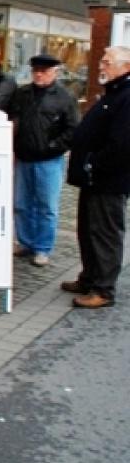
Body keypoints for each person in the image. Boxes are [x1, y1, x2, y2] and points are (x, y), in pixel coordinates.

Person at [62, 46, 130, 308]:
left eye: (107, 61)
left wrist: (93, 163)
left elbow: (122, 144)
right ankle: (89, 277)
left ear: (125, 67)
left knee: (105, 234)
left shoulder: (125, 96)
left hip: (107, 180)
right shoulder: (113, 93)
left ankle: (103, 289)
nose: (101, 65)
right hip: (93, 179)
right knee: (88, 231)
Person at [8, 54, 79, 268]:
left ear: (54, 72)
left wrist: (53, 147)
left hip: (50, 160)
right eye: (36, 70)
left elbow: (73, 128)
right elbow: (13, 119)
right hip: (24, 158)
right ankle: (26, 242)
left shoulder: (65, 97)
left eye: (44, 71)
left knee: (46, 206)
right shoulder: (22, 94)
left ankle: (42, 248)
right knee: (21, 204)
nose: (39, 74)